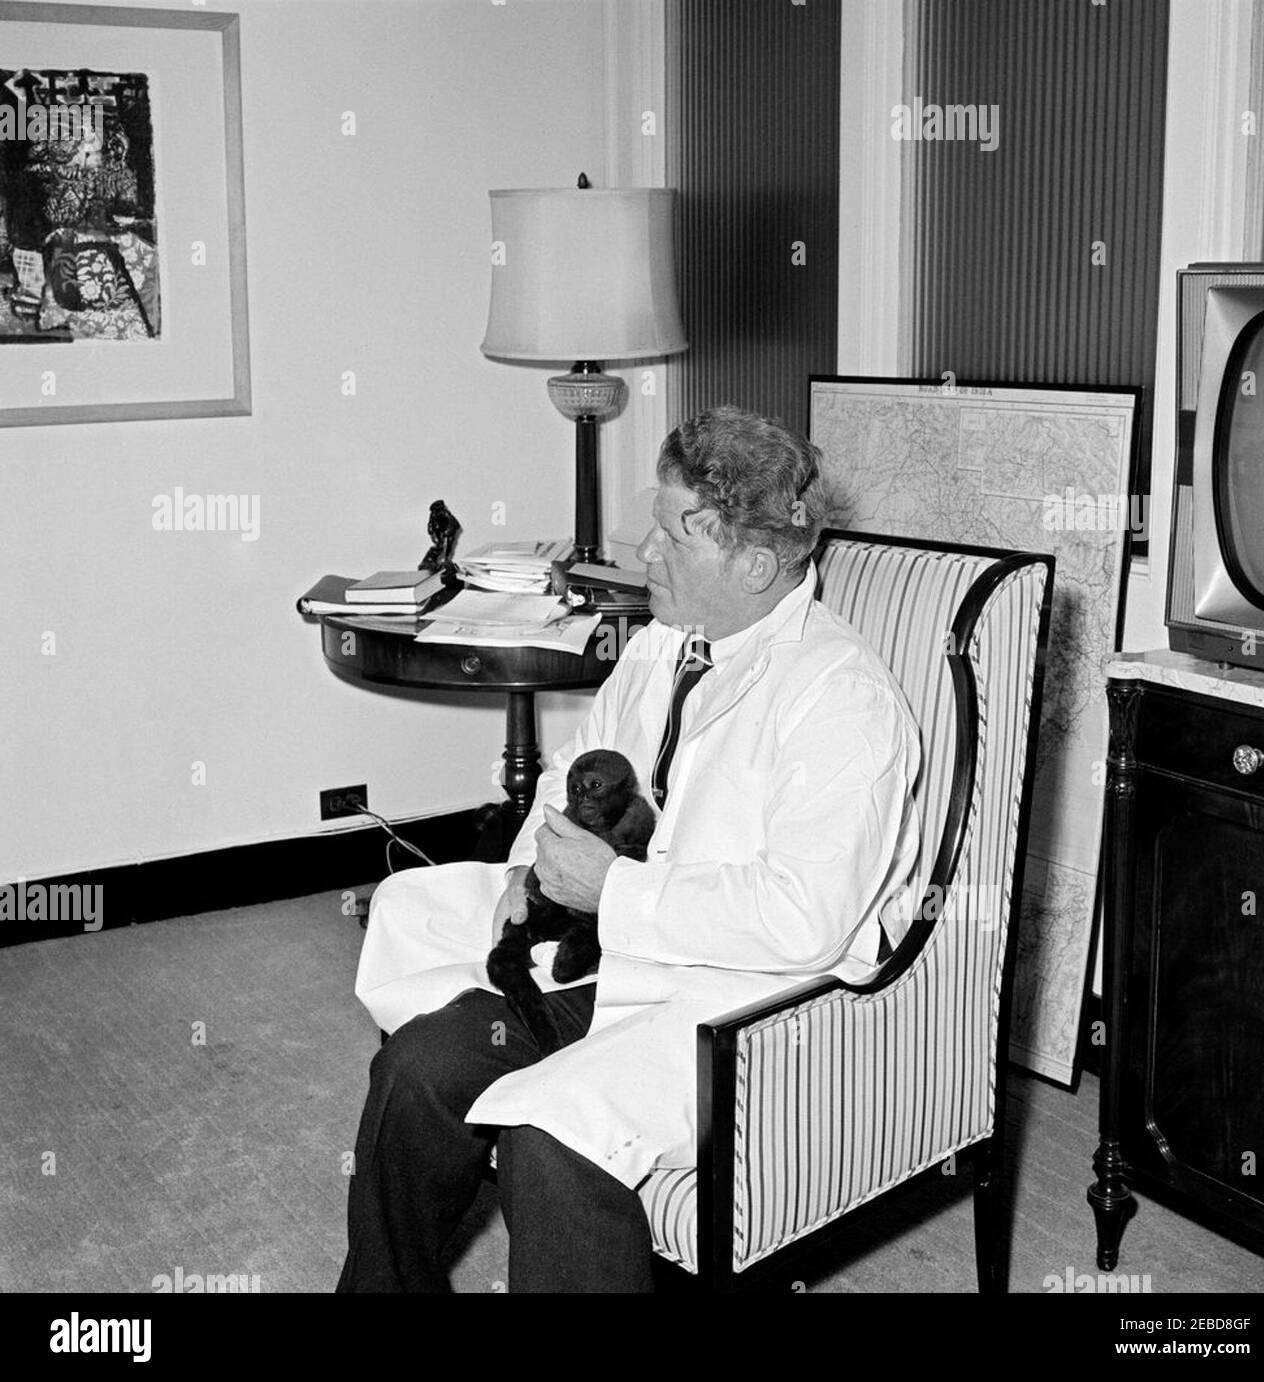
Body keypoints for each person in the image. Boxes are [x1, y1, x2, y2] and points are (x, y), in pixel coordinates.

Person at [336, 405, 921, 1293]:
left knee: (549, 1145)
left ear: (755, 565)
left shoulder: (843, 703)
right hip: (608, 964)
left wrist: (615, 892)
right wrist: (537, 867)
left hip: (736, 1009)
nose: (644, 554)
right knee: (419, 1069)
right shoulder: (662, 648)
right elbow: (572, 772)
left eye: (670, 539)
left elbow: (803, 920)